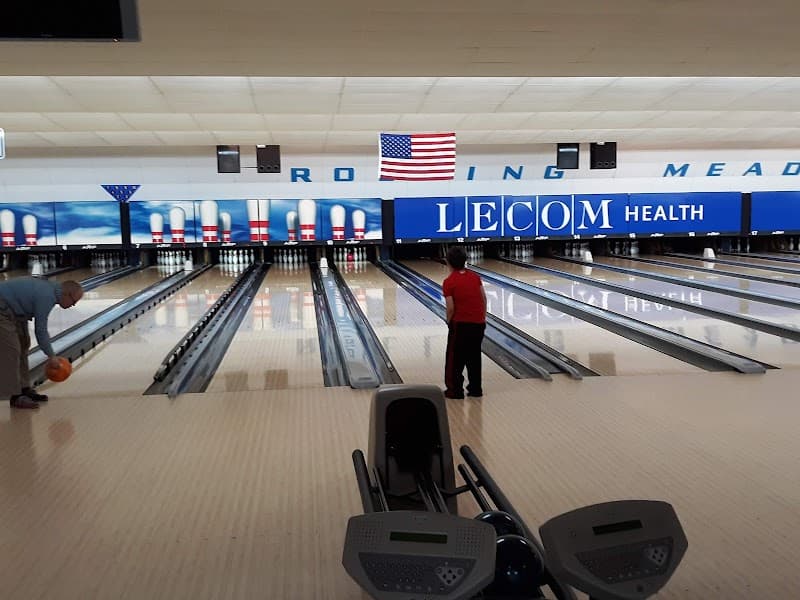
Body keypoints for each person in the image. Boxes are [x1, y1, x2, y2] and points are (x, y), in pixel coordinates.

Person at [0, 277, 83, 409]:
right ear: (66, 294)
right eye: (73, 302)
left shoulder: (51, 291)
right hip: (2, 308)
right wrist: (51, 356)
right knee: (13, 349)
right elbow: (41, 330)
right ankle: (15, 397)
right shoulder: (47, 296)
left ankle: (24, 388)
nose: (73, 305)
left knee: (23, 345)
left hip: (14, 311)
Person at [442, 246, 486, 399]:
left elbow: (450, 308)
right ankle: (475, 389)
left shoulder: (449, 281)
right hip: (479, 323)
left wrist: (449, 322)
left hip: (461, 325)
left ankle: (454, 390)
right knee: (474, 357)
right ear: (465, 260)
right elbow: (483, 298)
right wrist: (482, 317)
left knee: (455, 359)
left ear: (448, 262)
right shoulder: (475, 277)